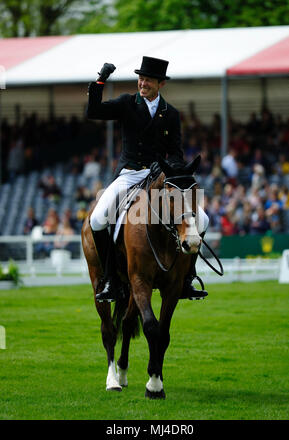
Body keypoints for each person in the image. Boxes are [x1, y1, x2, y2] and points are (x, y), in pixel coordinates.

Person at [86, 56, 209, 302]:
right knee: (99, 219)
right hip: (130, 173)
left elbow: (175, 150)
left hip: (159, 176)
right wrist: (100, 80)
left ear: (160, 84)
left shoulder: (170, 114)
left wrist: (167, 167)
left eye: (148, 80)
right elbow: (94, 111)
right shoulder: (127, 103)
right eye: (141, 79)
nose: (143, 83)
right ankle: (111, 278)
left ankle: (187, 277)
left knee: (203, 219)